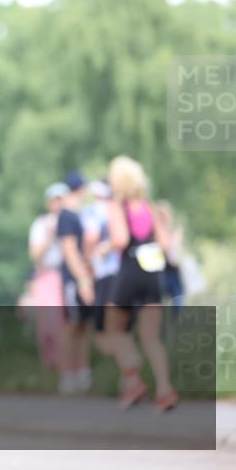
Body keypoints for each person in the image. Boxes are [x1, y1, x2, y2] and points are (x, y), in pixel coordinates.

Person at [105, 156, 178, 412]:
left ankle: (132, 375)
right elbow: (166, 245)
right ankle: (165, 389)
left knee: (115, 328)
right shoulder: (150, 207)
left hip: (130, 270)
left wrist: (103, 249)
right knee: (151, 337)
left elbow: (120, 239)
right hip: (152, 273)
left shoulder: (118, 206)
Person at [57, 172, 94, 394]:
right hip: (74, 280)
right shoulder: (67, 216)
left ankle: (82, 374)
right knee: (72, 327)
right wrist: (83, 280)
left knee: (82, 327)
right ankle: (68, 376)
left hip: (81, 278)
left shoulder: (77, 215)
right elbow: (69, 252)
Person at [27, 183, 68, 371]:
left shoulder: (72, 221)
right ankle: (50, 367)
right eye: (54, 200)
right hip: (46, 277)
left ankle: (65, 368)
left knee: (62, 326)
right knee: (46, 329)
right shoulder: (41, 224)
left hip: (66, 276)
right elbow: (34, 255)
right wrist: (51, 236)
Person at [81, 180, 120, 360]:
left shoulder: (94, 211)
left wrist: (87, 265)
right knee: (120, 326)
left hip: (103, 273)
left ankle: (122, 364)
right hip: (123, 272)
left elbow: (91, 238)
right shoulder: (119, 208)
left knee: (101, 329)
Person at [155, 200, 186, 314]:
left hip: (173, 271)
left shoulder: (172, 231)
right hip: (159, 272)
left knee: (178, 304)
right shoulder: (154, 233)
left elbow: (176, 253)